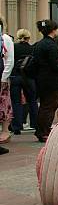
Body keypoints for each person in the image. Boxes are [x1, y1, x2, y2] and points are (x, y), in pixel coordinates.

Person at [32, 19, 58, 142]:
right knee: (49, 106)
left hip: (41, 79)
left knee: (45, 106)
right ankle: (43, 131)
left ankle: (42, 129)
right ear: (53, 30)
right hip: (51, 81)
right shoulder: (51, 45)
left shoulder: (39, 44)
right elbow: (55, 65)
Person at [9, 29, 38, 136]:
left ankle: (16, 126)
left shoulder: (14, 47)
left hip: (15, 76)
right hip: (29, 78)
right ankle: (35, 124)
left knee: (16, 102)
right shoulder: (32, 49)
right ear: (28, 37)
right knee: (32, 101)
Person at [0, 17, 15, 146]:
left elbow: (9, 60)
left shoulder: (5, 39)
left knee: (4, 103)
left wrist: (4, 77)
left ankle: (5, 130)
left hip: (2, 77)